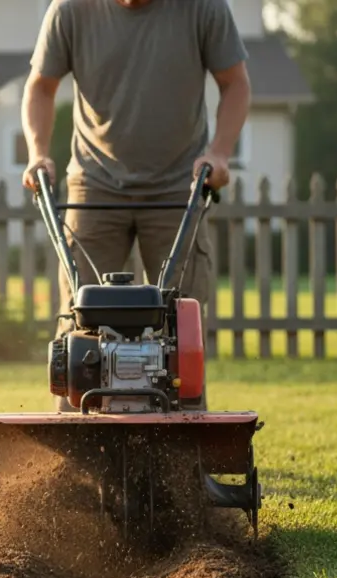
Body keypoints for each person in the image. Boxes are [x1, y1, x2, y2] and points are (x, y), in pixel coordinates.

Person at [21, 0, 251, 341]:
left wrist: (219, 153)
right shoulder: (70, 10)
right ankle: (75, 396)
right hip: (94, 183)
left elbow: (235, 83)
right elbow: (40, 86)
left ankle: (178, 396)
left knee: (181, 328)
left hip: (178, 186)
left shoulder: (202, 7)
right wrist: (38, 153)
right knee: (80, 322)